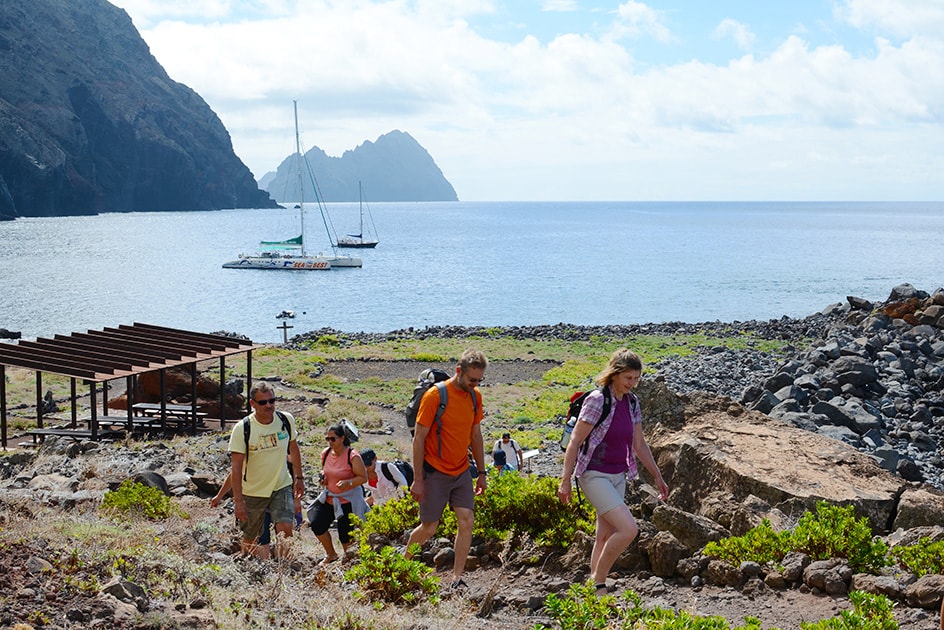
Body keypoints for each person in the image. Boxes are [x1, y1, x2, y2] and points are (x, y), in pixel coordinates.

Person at [557, 349, 669, 596]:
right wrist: (565, 480)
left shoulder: (632, 402)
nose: (633, 383)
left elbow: (639, 445)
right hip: (593, 474)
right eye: (628, 378)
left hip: (619, 475)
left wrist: (658, 476)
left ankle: (592, 591)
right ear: (615, 374)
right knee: (629, 530)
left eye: (636, 378)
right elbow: (575, 442)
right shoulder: (597, 400)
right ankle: (599, 581)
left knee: (605, 534)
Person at [406, 349, 488, 589]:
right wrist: (418, 479)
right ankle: (402, 564)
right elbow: (418, 438)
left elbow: (476, 435)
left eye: (479, 381)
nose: (475, 385)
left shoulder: (475, 397)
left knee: (467, 520)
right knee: (429, 527)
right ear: (458, 371)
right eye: (472, 379)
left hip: (461, 470)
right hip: (435, 472)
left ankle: (456, 578)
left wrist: (482, 474)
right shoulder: (435, 396)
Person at [228, 383, 305, 559]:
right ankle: (255, 571)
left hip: (281, 485)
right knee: (252, 538)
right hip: (253, 491)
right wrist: (238, 501)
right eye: (263, 403)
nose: (268, 406)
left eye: (272, 401)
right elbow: (236, 467)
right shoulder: (243, 429)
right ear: (252, 403)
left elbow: (294, 449)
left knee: (285, 528)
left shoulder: (285, 420)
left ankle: (282, 570)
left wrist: (299, 477)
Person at [308, 423, 369, 564]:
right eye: (327, 439)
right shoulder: (326, 453)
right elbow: (326, 471)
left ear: (342, 438)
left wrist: (349, 483)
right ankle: (331, 554)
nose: (330, 442)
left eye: (333, 439)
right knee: (317, 524)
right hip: (330, 497)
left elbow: (363, 477)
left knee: (345, 535)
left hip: (348, 500)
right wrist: (323, 479)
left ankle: (350, 561)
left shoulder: (353, 456)